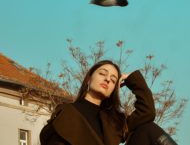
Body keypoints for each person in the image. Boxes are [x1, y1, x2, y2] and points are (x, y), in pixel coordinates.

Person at [40, 60, 177, 145]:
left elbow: (147, 112)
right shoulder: (67, 112)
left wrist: (133, 81)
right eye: (102, 74)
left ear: (114, 89)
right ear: (88, 79)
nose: (107, 80)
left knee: (147, 128)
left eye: (113, 80)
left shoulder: (115, 121)